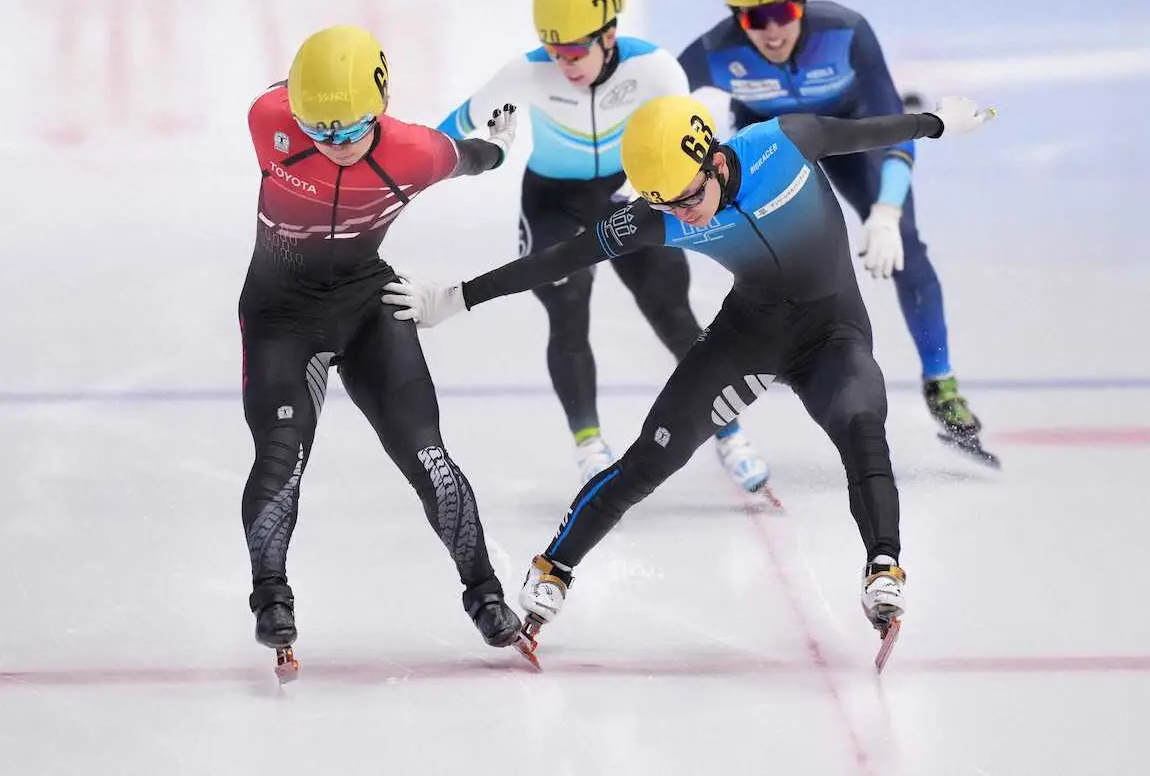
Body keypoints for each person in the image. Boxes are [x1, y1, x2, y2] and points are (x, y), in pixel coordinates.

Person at [381, 93, 996, 645]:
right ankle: (555, 568)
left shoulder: (781, 144)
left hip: (831, 335)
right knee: (651, 458)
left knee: (863, 431)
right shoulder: (655, 214)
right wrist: (457, 296)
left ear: (715, 161)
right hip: (748, 336)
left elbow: (863, 130)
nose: (687, 215)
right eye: (668, 205)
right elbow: (556, 259)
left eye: (690, 197)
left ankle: (883, 567)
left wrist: (936, 122)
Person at [240, 24, 524, 670]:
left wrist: (500, 150)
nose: (333, 144)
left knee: (429, 458)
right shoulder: (268, 119)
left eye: (348, 130)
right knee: (280, 459)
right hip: (280, 315)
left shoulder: (415, 152)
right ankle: (271, 597)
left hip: (369, 305)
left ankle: (484, 592)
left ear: (381, 106)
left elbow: (469, 158)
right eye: (318, 130)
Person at [436, 0, 770, 490]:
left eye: (574, 50)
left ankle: (727, 431)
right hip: (553, 203)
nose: (563, 63)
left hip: (634, 193)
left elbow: (693, 142)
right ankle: (589, 443)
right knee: (567, 318)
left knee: (674, 315)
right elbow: (447, 134)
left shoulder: (656, 69)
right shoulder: (524, 73)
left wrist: (650, 194)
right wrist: (418, 171)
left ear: (609, 34)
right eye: (553, 50)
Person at [678, 0, 995, 464]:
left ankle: (941, 383)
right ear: (736, 18)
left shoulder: (845, 33)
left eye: (784, 10)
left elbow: (894, 132)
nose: (774, 29)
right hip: (771, 149)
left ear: (802, 0)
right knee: (770, 259)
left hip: (851, 135)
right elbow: (655, 94)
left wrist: (887, 213)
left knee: (907, 249)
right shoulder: (716, 51)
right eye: (757, 19)